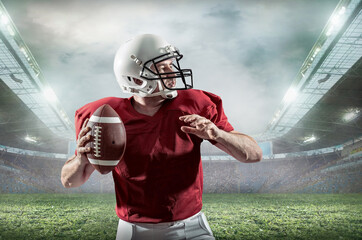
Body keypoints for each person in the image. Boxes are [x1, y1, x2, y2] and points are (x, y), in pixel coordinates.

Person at [61, 34, 262, 240]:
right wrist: (81, 160)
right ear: (136, 77)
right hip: (135, 231)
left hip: (192, 227)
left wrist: (217, 133)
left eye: (171, 65)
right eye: (162, 68)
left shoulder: (196, 104)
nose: (173, 72)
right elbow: (69, 182)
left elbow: (253, 154)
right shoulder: (105, 117)